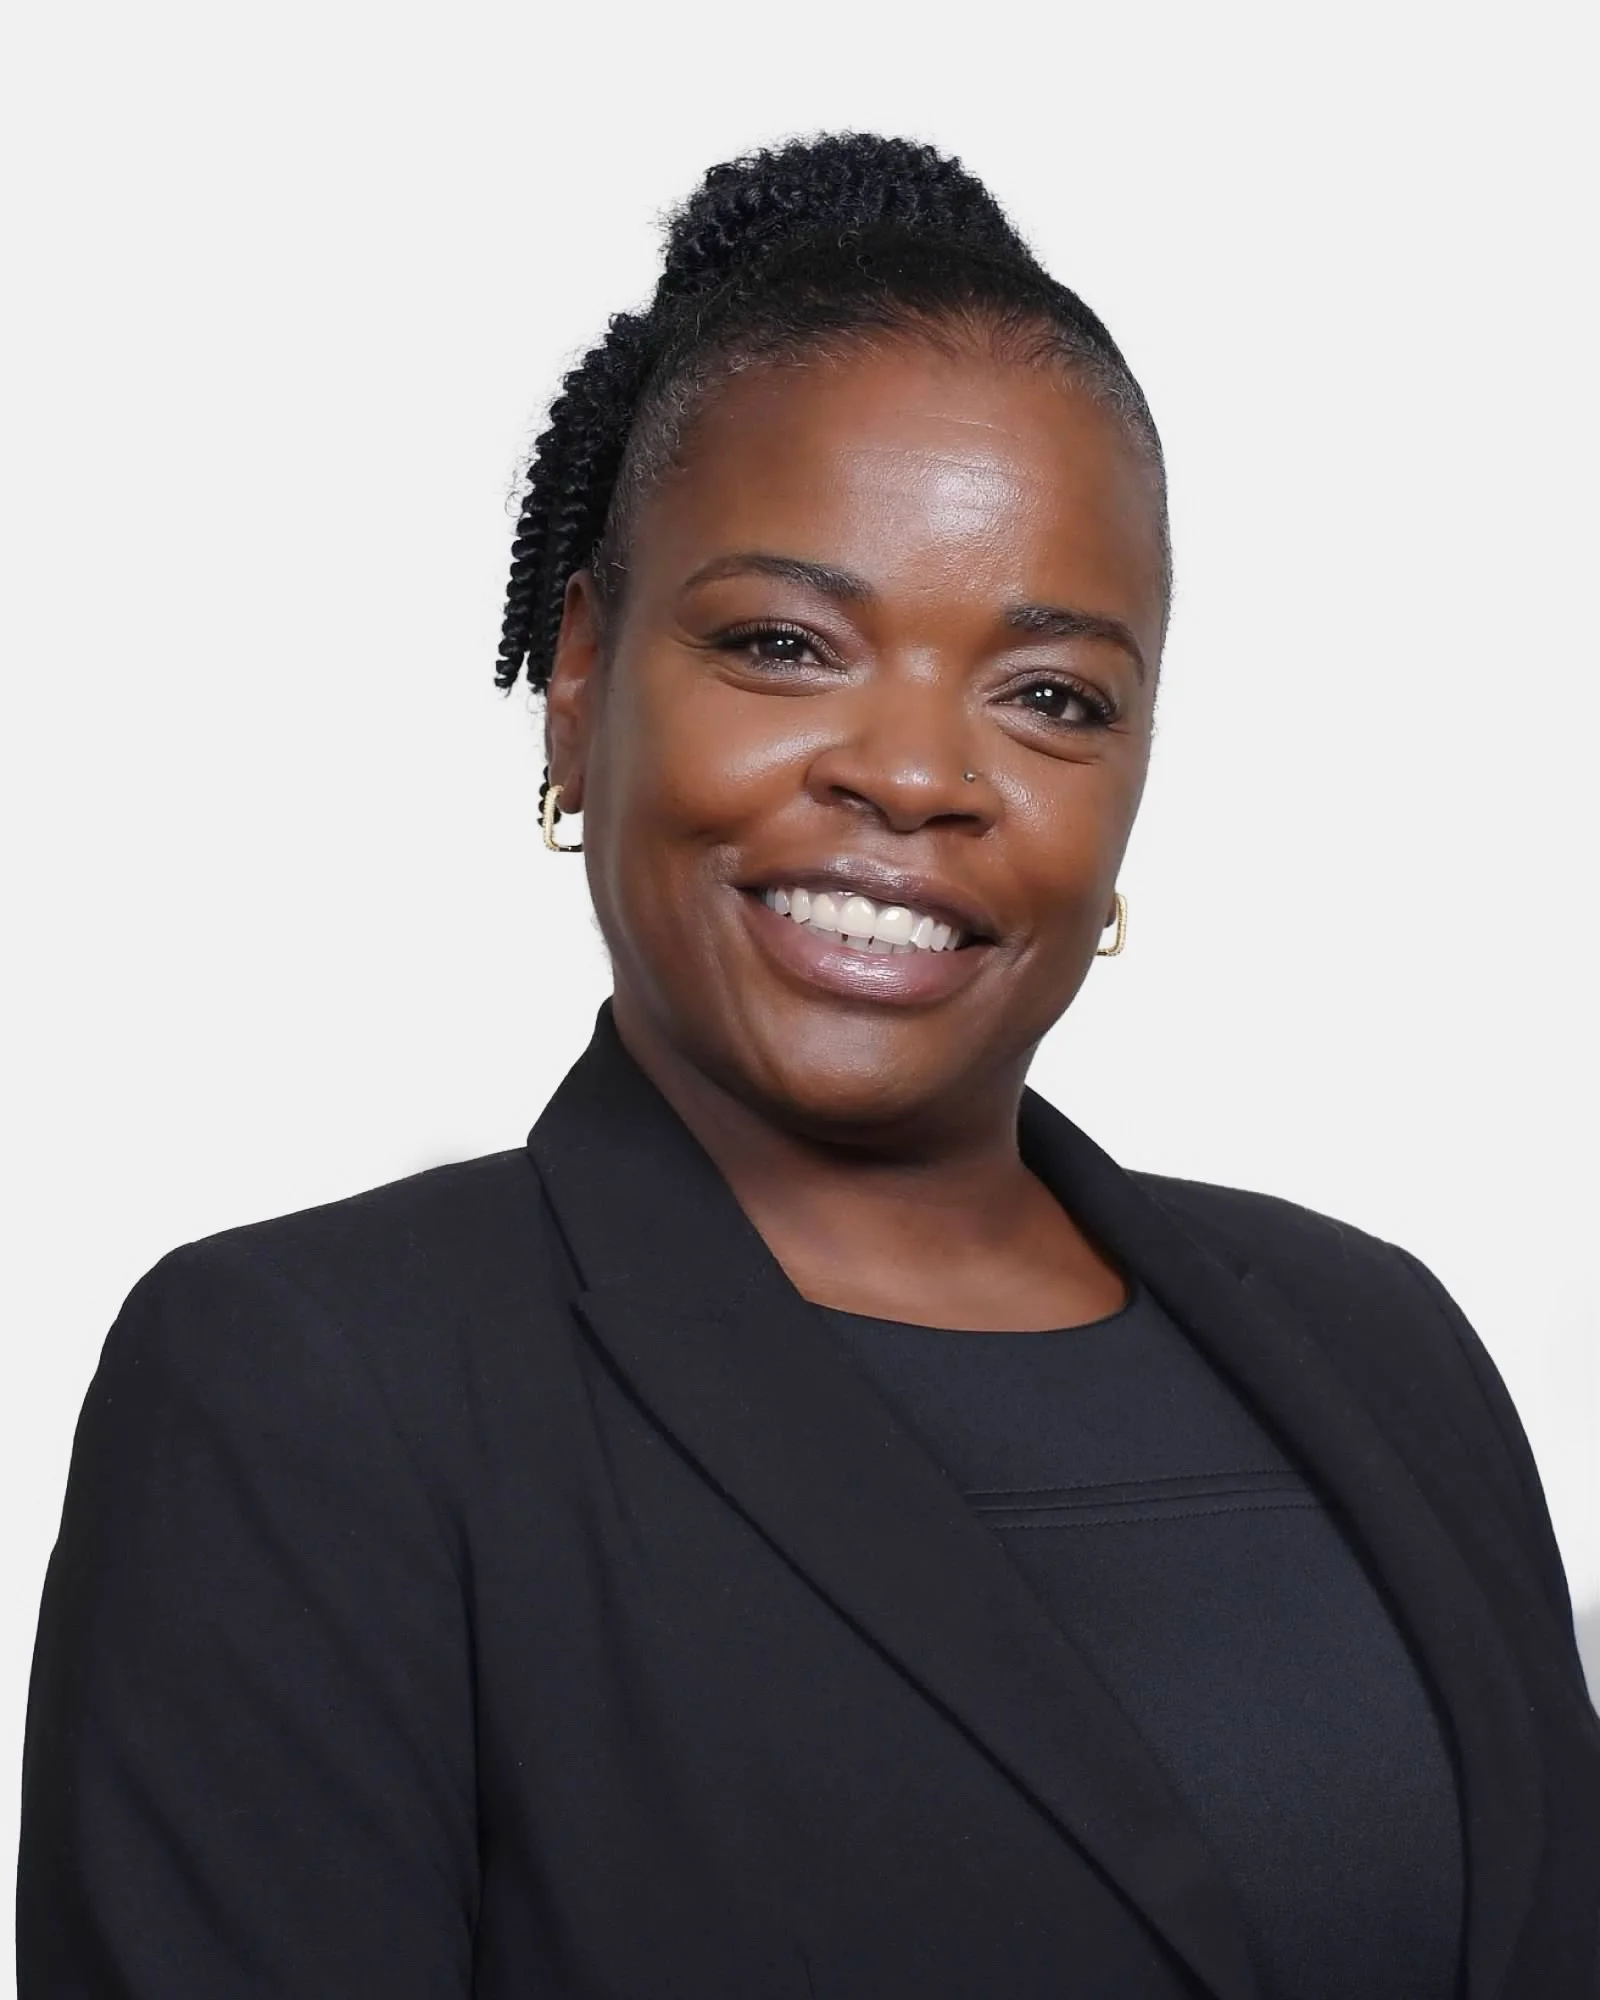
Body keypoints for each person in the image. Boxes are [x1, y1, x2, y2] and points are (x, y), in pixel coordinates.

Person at [17, 133, 1599, 2000]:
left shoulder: (1382, 1340)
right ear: (584, 676)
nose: (916, 773)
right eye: (784, 643)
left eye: (1053, 695)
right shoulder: (314, 1389)